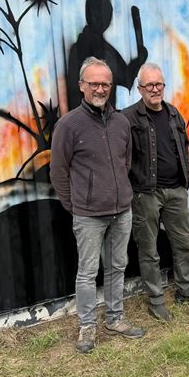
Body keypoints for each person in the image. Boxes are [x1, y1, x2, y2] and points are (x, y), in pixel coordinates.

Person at [51, 57, 145, 354]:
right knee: (87, 272)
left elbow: (125, 161)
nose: (101, 89)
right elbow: (58, 171)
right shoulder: (68, 125)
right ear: (82, 86)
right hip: (89, 215)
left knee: (118, 266)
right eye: (94, 84)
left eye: (105, 83)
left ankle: (115, 318)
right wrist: (77, 204)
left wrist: (121, 193)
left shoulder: (121, 122)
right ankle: (88, 325)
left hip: (122, 210)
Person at [123, 63, 189, 322]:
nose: (154, 89)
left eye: (159, 84)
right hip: (146, 193)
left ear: (164, 86)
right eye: (149, 85)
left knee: (183, 242)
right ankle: (156, 299)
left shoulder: (173, 114)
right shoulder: (128, 118)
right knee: (149, 248)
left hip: (176, 190)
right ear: (140, 88)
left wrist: (186, 178)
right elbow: (122, 156)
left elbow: (183, 147)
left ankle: (185, 290)